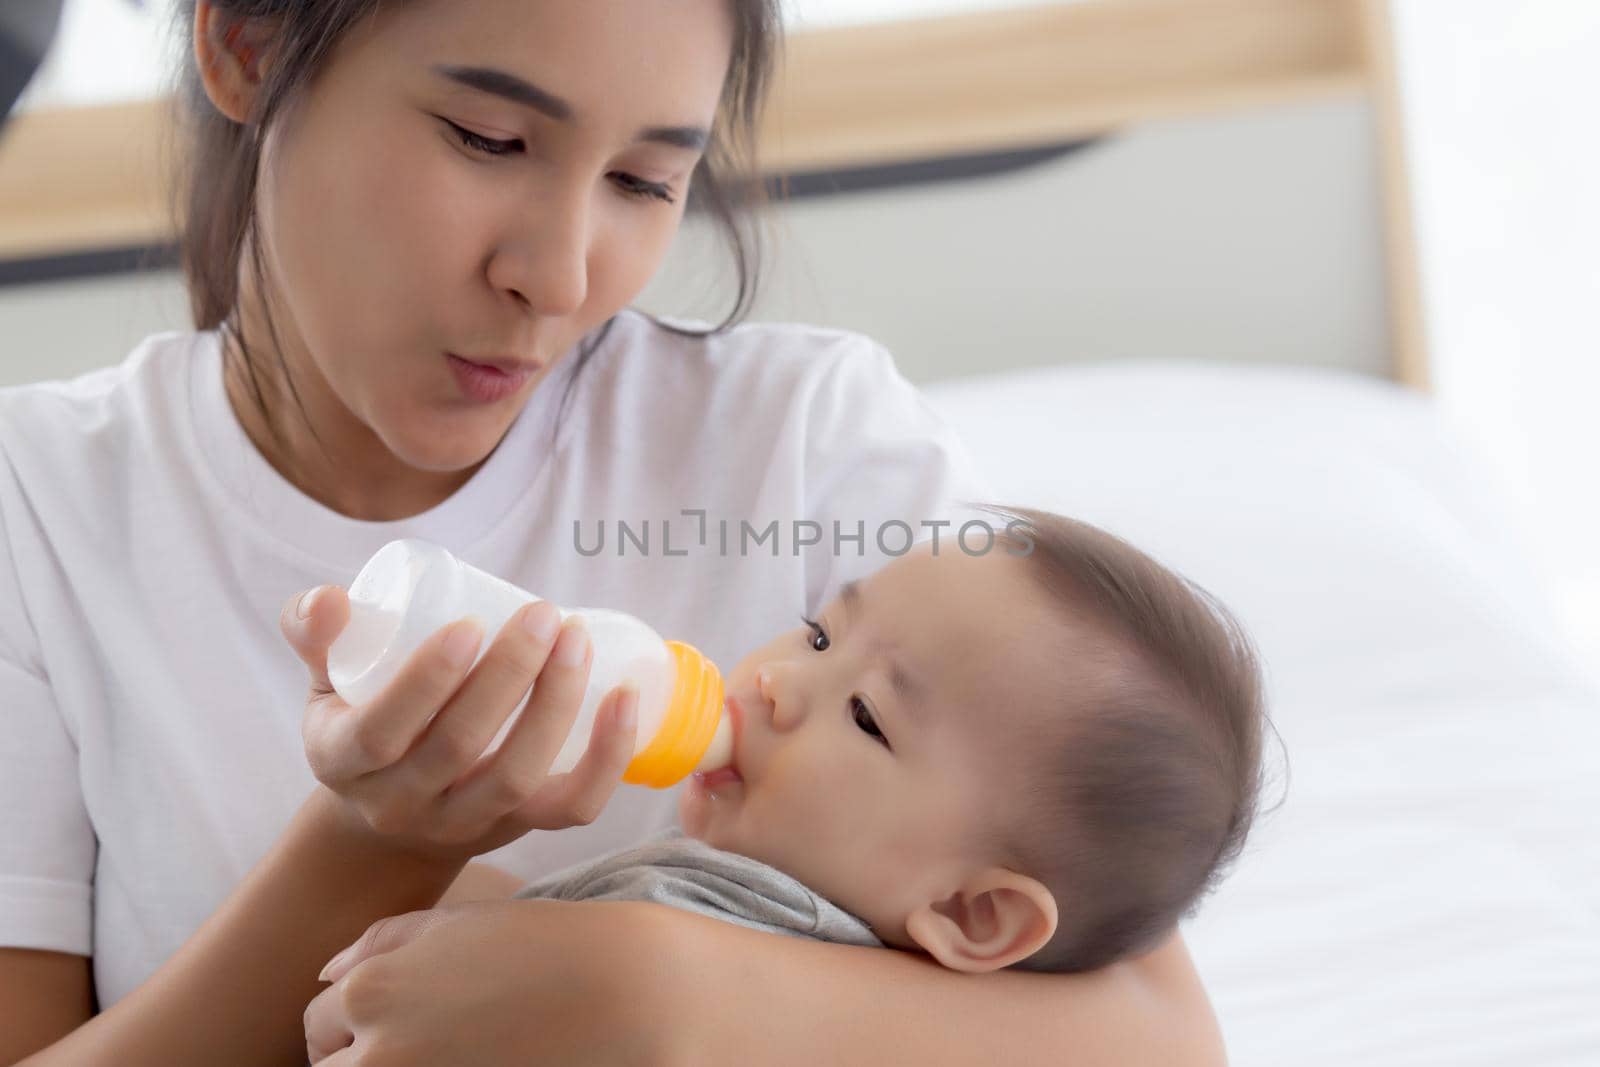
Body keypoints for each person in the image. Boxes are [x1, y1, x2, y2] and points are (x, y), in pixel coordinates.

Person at [0, 2, 1229, 1064]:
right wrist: (376, 843)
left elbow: (1159, 1034)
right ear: (246, 46)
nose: (562, 274)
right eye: (488, 139)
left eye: (645, 180)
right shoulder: (37, 507)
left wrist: (665, 988)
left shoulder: (806, 441)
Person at [479, 508, 1265, 975]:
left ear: (974, 911)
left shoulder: (668, 935)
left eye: (865, 715)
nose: (776, 682)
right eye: (820, 635)